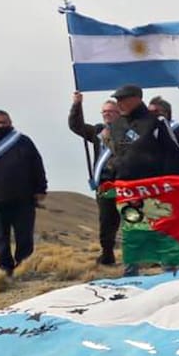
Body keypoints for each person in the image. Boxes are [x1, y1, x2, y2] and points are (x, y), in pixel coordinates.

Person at [108, 84, 179, 275]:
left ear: (136, 98)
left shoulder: (156, 122)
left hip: (154, 188)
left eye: (122, 99)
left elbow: (175, 153)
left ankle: (169, 272)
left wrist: (174, 183)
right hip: (127, 188)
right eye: (117, 99)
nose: (119, 103)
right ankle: (130, 274)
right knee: (131, 231)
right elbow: (115, 152)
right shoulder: (117, 125)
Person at [0, 111, 46, 276]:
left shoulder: (23, 141)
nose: (0, 125)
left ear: (10, 122)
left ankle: (23, 267)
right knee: (1, 237)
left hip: (24, 198)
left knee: (24, 236)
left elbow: (37, 165)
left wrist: (41, 188)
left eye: (3, 122)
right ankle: (5, 268)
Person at [68, 92, 121, 265]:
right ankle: (107, 254)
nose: (107, 114)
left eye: (111, 111)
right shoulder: (98, 131)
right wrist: (77, 105)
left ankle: (139, 255)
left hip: (124, 183)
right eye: (104, 112)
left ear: (119, 113)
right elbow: (76, 126)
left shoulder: (129, 130)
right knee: (106, 220)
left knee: (131, 218)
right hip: (104, 185)